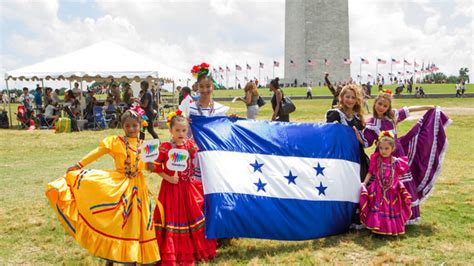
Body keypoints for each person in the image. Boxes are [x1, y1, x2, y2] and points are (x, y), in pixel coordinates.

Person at [45, 108, 161, 264]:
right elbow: (97, 152)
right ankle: (110, 255)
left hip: (138, 188)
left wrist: (152, 166)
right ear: (123, 127)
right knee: (115, 220)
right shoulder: (115, 142)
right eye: (128, 126)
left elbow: (146, 166)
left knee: (135, 222)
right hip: (119, 186)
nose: (132, 129)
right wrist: (79, 165)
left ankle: (131, 256)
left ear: (140, 125)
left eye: (135, 125)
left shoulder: (145, 145)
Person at [151, 110, 216, 265]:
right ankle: (170, 253)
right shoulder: (166, 147)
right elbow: (155, 167)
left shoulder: (190, 145)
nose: (181, 133)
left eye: (184, 130)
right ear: (171, 130)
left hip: (186, 189)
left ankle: (194, 249)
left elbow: (203, 154)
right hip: (170, 190)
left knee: (189, 216)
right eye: (177, 130)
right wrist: (168, 177)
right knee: (172, 218)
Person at [362, 92, 437, 223]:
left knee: (401, 183)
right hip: (382, 156)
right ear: (375, 104)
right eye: (379, 104)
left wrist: (428, 107)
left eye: (385, 105)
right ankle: (382, 216)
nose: (381, 107)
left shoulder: (392, 117)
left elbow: (409, 109)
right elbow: (366, 142)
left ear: (388, 107)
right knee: (383, 184)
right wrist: (358, 135)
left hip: (397, 154)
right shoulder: (372, 123)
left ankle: (403, 216)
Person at [360, 131, 412, 235]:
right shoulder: (376, 159)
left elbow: (398, 174)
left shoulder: (397, 161)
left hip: (392, 190)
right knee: (378, 207)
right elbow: (370, 172)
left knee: (391, 208)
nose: (383, 151)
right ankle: (377, 227)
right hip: (378, 189)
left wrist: (397, 185)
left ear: (393, 149)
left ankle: (390, 229)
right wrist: (364, 183)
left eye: (386, 148)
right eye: (381, 148)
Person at [325, 84, 369, 180]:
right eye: (347, 97)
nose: (350, 100)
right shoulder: (334, 114)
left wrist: (359, 138)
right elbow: (327, 134)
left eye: (353, 97)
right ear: (341, 97)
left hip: (358, 157)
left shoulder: (358, 117)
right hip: (342, 157)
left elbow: (364, 143)